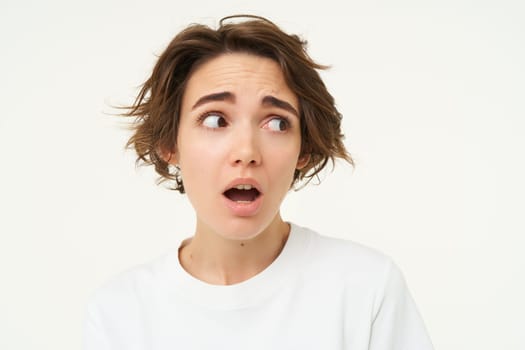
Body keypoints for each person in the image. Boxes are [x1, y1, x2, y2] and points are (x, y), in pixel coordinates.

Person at [84, 15, 434, 350]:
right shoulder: (121, 312)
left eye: (277, 123)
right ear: (169, 145)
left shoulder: (366, 287)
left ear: (304, 150)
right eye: (216, 119)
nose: (247, 152)